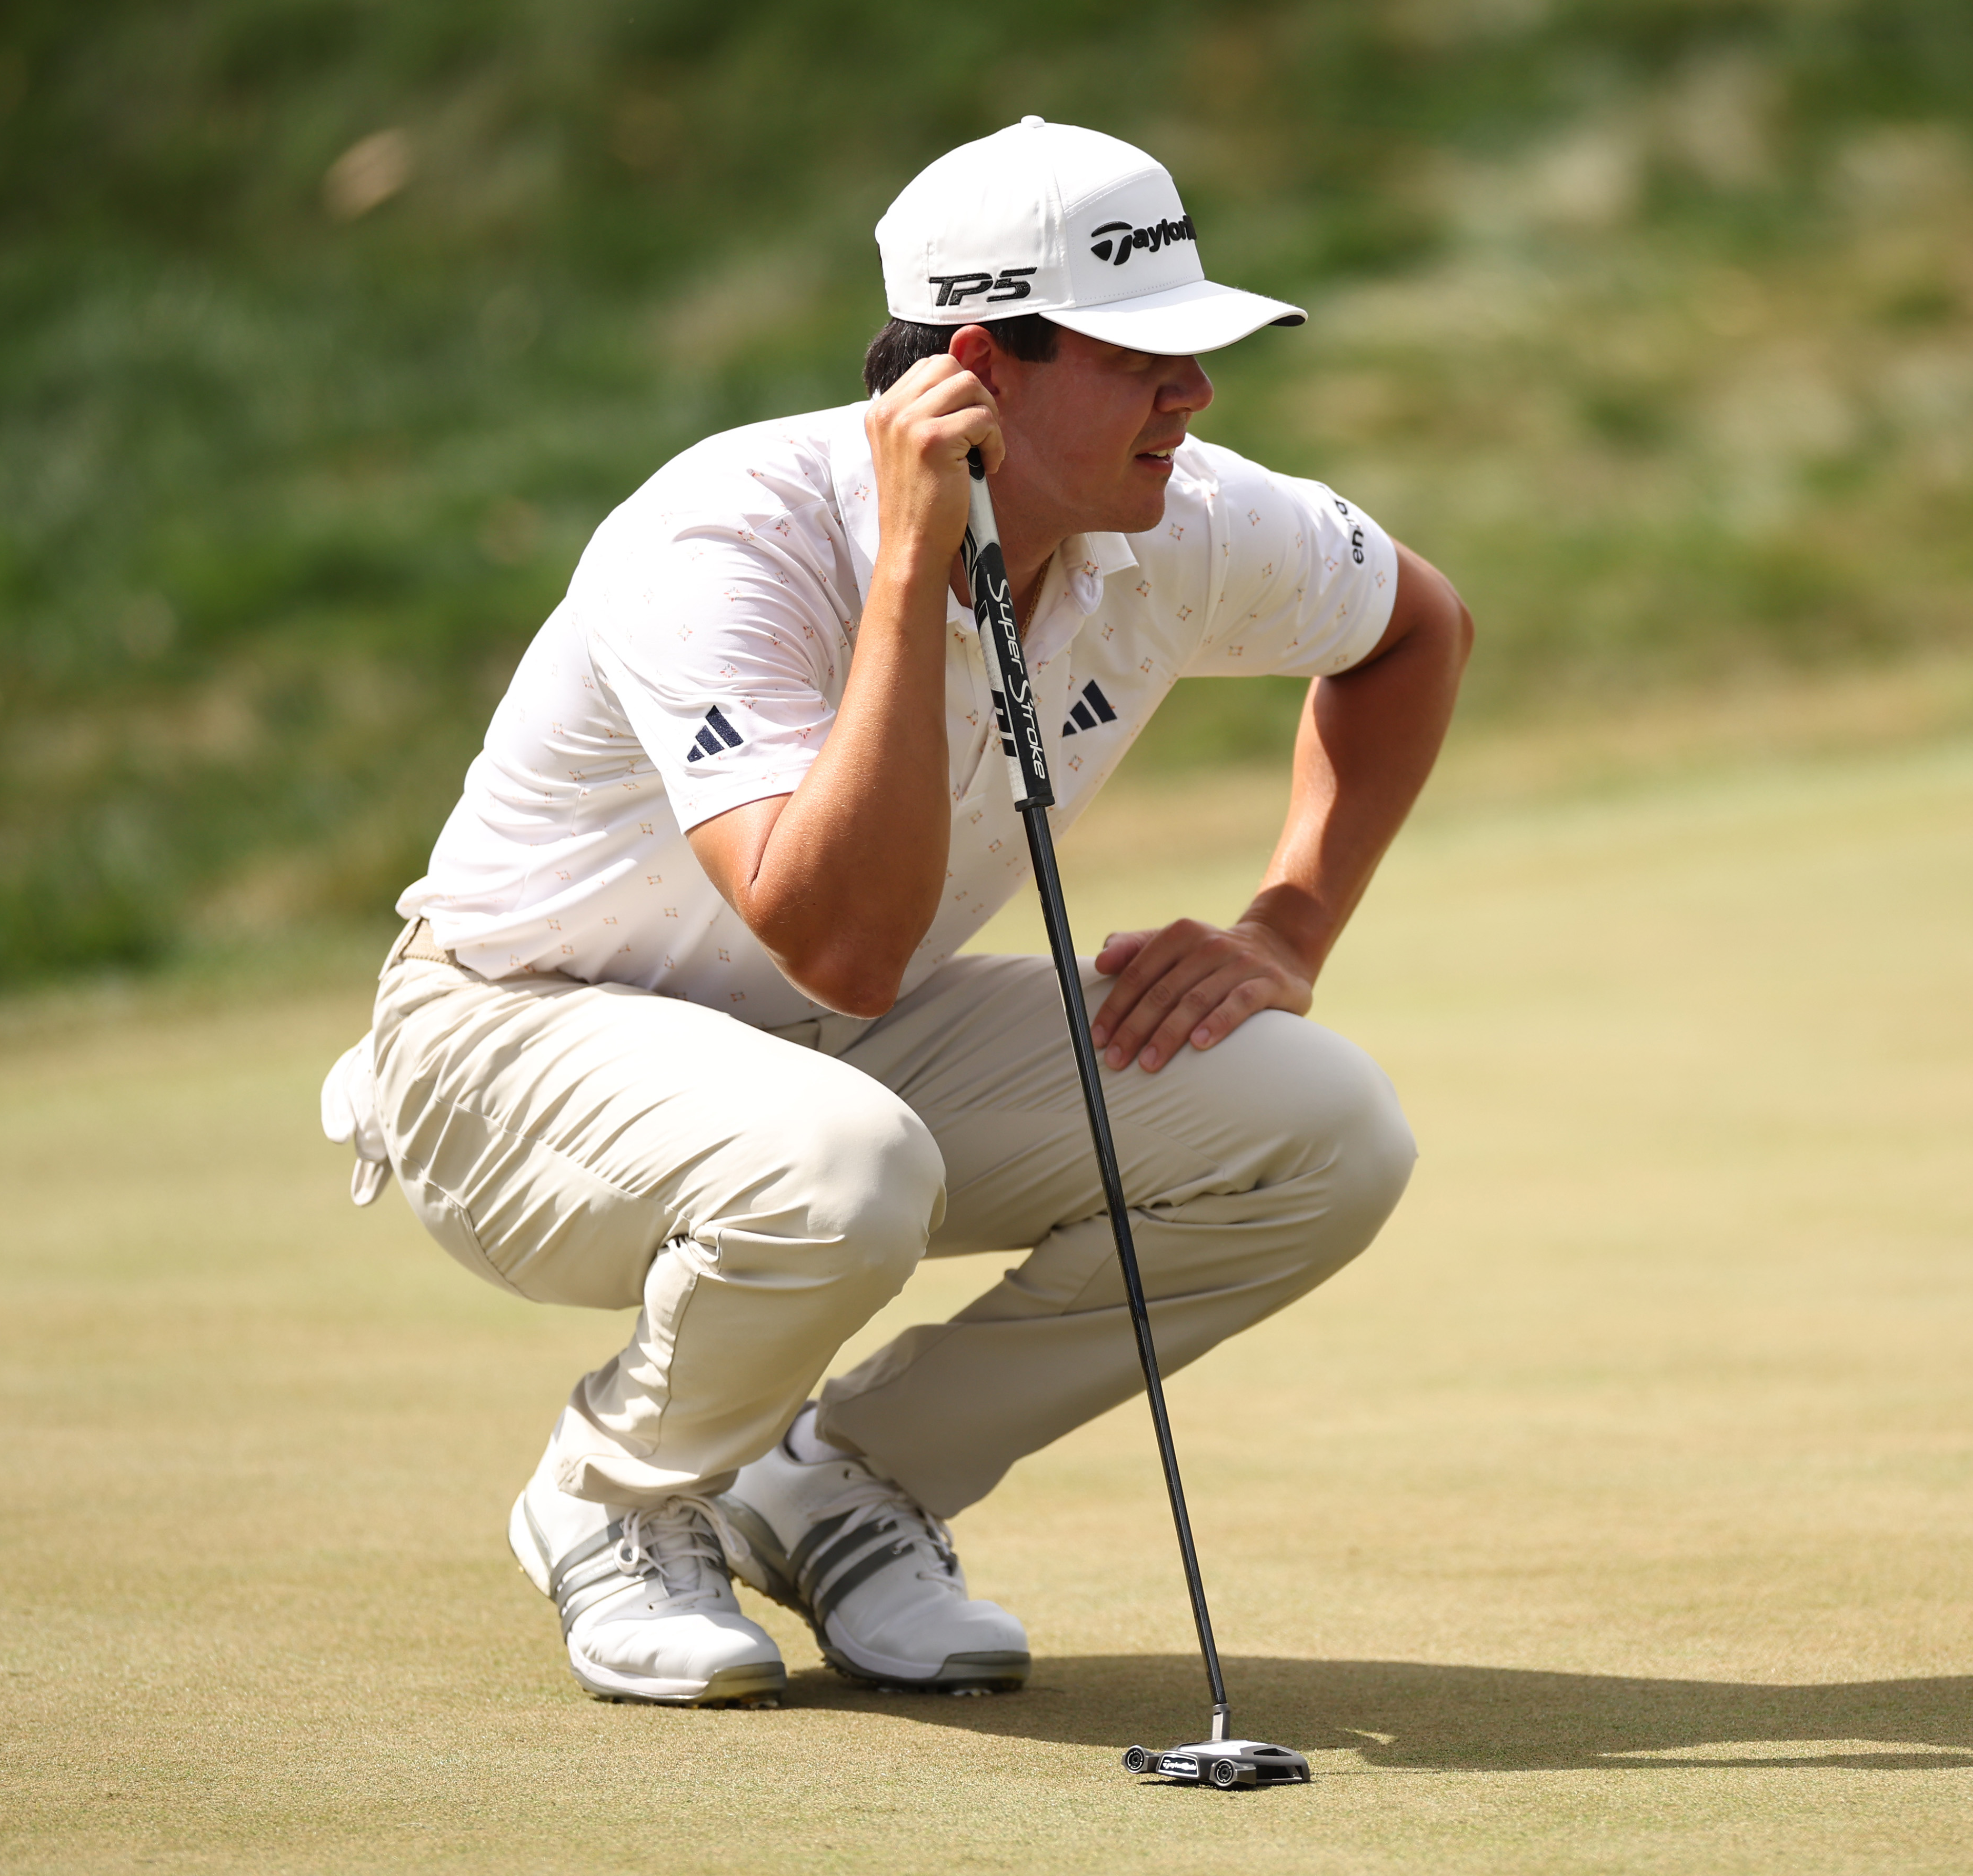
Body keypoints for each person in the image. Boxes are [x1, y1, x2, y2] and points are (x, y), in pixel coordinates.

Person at [318, 117, 1472, 1708]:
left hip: (830, 1040)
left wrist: (1289, 926)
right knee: (841, 1171)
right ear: (980, 371)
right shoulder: (725, 536)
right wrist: (912, 567)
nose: (1195, 395)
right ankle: (613, 1495)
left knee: (1324, 1129)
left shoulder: (1184, 515)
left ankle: (838, 1481)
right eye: (1142, 358)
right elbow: (843, 939)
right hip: (505, 1046)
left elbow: (1417, 629)